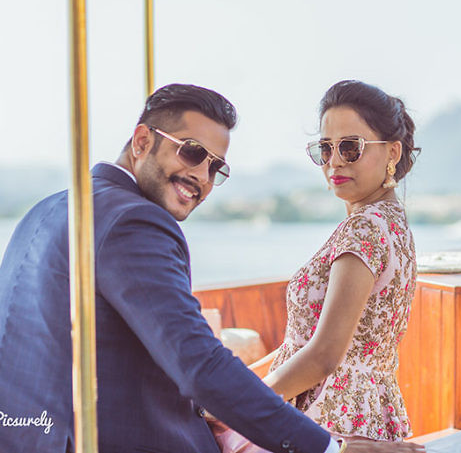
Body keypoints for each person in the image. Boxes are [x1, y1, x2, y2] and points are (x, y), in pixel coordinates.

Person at [0, 84, 424, 453]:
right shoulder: (134, 222)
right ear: (142, 141)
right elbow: (199, 366)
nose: (201, 175)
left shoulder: (47, 209)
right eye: (192, 152)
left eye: (215, 166)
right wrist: (329, 449)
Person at [214, 80, 420, 452]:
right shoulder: (392, 221)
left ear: (392, 152)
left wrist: (240, 406)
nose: (334, 161)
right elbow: (303, 347)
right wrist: (238, 387)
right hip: (365, 417)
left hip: (331, 422)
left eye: (350, 147)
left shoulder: (365, 228)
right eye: (325, 149)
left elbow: (324, 355)